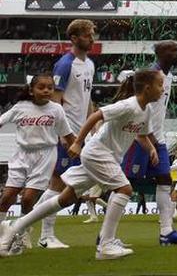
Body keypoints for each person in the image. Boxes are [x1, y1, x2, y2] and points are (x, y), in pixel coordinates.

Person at [0, 70, 165, 260]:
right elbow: (96, 116)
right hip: (98, 153)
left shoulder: (147, 110)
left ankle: (15, 227)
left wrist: (151, 149)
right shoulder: (127, 106)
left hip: (105, 156)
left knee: (65, 199)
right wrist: (78, 142)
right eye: (160, 85)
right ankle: (105, 245)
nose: (162, 89)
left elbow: (141, 134)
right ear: (147, 88)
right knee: (125, 190)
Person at [121, 41, 177, 244]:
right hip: (140, 137)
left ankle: (166, 232)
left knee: (164, 180)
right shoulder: (152, 75)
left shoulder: (167, 76)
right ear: (161, 53)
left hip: (158, 138)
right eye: (172, 51)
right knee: (125, 185)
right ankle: (106, 235)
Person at [38, 19, 98, 250]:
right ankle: (44, 235)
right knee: (57, 185)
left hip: (82, 135)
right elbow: (55, 102)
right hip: (68, 135)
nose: (92, 39)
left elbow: (88, 99)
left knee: (68, 186)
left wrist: (93, 127)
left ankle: (26, 226)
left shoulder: (90, 64)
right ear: (74, 38)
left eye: (92, 35)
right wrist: (64, 135)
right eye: (87, 35)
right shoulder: (65, 64)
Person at [0, 74, 75, 250]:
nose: (47, 90)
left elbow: (68, 134)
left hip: (45, 155)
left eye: (50, 87)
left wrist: (78, 148)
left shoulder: (56, 110)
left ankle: (22, 233)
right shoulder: (21, 107)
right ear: (32, 90)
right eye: (41, 87)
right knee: (7, 197)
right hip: (21, 155)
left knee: (27, 198)